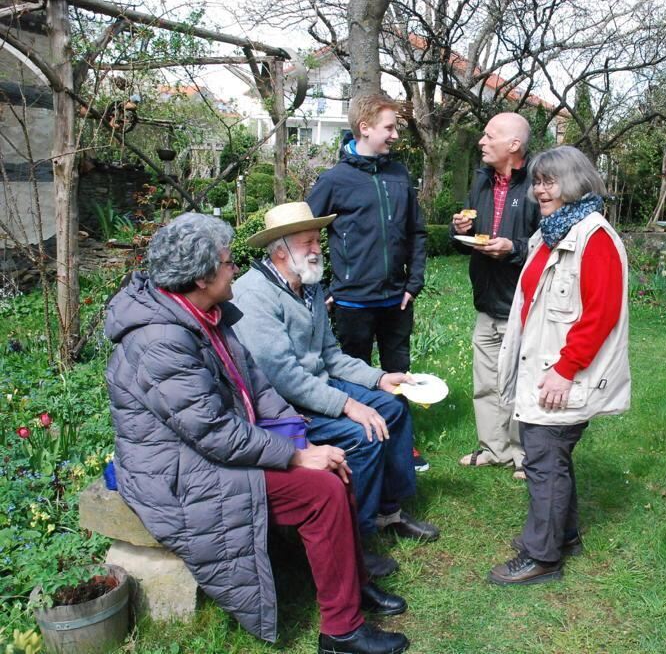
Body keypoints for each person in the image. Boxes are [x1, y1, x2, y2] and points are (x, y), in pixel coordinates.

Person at [105, 214, 410, 654]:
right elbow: (211, 431)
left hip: (212, 449)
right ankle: (342, 632)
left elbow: (259, 388)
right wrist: (295, 457)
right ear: (202, 275)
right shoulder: (160, 339)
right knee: (320, 490)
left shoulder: (206, 313)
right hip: (178, 471)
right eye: (228, 263)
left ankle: (352, 585)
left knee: (335, 466)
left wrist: (303, 441)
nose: (235, 269)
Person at [232, 202, 440, 579]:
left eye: (317, 239)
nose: (317, 248)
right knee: (363, 433)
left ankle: (386, 512)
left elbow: (330, 355)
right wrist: (347, 405)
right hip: (281, 409)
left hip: (316, 387)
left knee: (392, 405)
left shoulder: (307, 286)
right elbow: (282, 378)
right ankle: (353, 541)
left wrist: (379, 379)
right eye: (307, 241)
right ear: (280, 250)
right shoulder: (255, 295)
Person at [489, 146, 631, 586]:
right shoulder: (553, 233)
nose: (540, 190)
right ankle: (562, 535)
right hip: (546, 366)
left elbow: (600, 314)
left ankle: (542, 557)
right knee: (552, 456)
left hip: (561, 373)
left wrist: (566, 369)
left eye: (550, 181)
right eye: (537, 181)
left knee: (544, 460)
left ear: (575, 182)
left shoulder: (595, 238)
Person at [450, 112, 540, 479]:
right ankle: (493, 448)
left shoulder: (540, 183)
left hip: (521, 305)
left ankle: (524, 456)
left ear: (513, 145)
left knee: (522, 383)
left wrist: (514, 248)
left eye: (490, 136)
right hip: (486, 301)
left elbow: (551, 242)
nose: (481, 142)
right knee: (485, 382)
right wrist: (462, 229)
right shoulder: (482, 181)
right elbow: (472, 242)